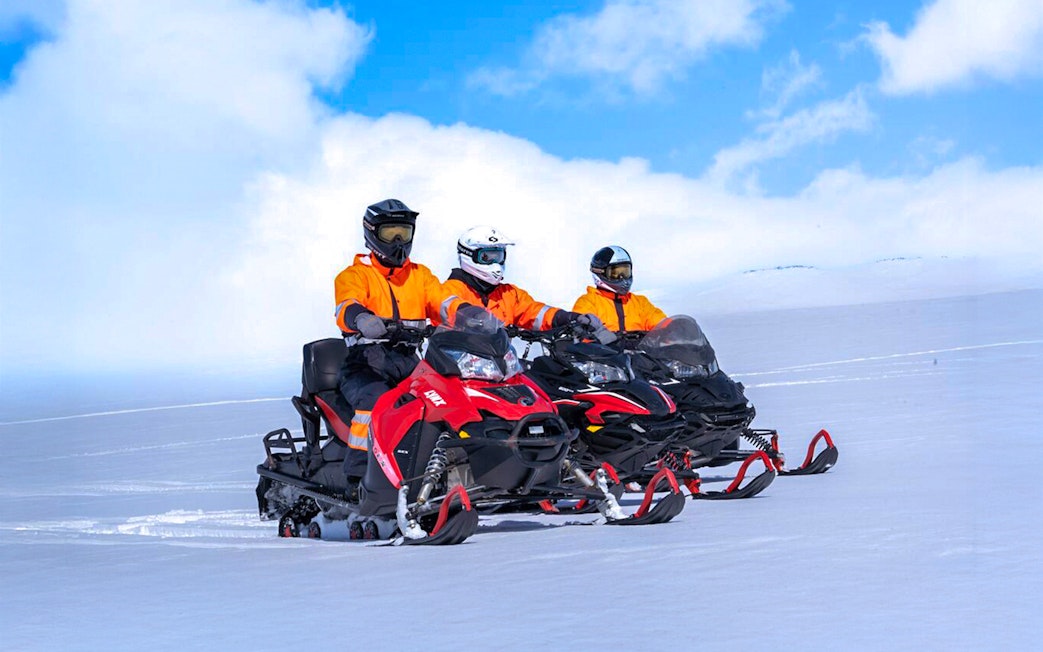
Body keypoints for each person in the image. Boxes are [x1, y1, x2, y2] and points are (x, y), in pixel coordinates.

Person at [334, 199, 483, 488]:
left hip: (410, 360)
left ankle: (450, 468)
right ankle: (359, 475)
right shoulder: (356, 274)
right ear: (372, 234)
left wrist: (468, 313)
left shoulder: (420, 275)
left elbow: (441, 301)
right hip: (366, 363)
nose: (399, 241)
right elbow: (345, 305)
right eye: (391, 233)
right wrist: (360, 318)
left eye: (405, 232)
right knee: (375, 402)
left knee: (446, 398)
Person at [442, 226, 614, 342]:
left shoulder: (509, 294)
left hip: (497, 364)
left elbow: (535, 312)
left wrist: (568, 318)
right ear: (469, 255)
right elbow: (448, 307)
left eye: (499, 256)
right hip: (457, 365)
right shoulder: (451, 289)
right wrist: (474, 316)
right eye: (488, 257)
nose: (496, 264)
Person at [572, 245, 667, 332]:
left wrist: (673, 327)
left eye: (625, 272)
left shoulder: (640, 303)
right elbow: (581, 332)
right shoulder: (589, 302)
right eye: (616, 273)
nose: (623, 278)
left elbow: (659, 322)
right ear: (600, 273)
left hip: (641, 350)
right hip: (605, 350)